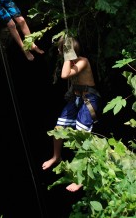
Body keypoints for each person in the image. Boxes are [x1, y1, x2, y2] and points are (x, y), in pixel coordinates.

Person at [42, 34, 101, 192]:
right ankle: (56, 157)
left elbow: (64, 75)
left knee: (82, 137)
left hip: (88, 100)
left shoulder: (83, 61)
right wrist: (67, 56)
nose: (60, 54)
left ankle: (81, 177)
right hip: (76, 99)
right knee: (58, 129)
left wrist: (68, 55)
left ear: (68, 52)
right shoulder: (71, 62)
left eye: (62, 51)